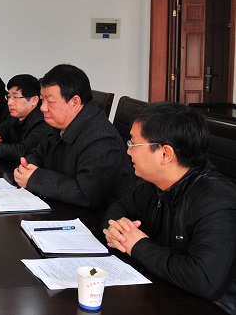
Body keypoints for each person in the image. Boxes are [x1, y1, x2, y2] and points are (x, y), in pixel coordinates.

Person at [103, 102, 236, 314]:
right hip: (167, 289)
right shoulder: (155, 183)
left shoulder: (216, 202)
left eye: (133, 144)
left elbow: (205, 280)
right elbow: (120, 206)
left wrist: (137, 245)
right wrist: (118, 229)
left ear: (165, 154)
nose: (128, 151)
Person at [14, 64, 133, 209]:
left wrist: (35, 178)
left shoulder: (102, 139)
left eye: (50, 101)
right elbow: (38, 154)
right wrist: (26, 169)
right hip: (63, 207)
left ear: (75, 102)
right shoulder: (58, 123)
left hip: (97, 218)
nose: (42, 108)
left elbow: (86, 194)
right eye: (42, 100)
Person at [0, 74, 49, 162]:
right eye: (9, 97)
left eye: (15, 97)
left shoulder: (42, 121)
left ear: (34, 100)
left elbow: (22, 152)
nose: (9, 102)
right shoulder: (13, 118)